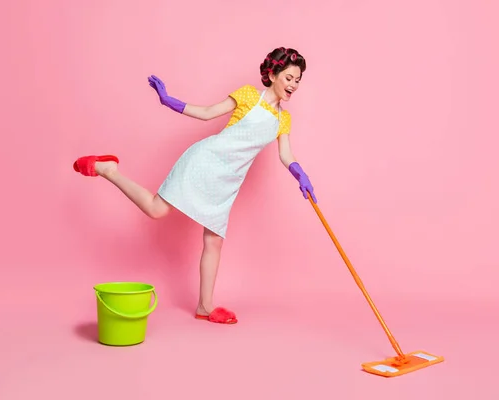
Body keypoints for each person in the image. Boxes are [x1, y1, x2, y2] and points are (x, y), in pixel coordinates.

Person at [73, 46, 317, 324]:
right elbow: (207, 112)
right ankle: (109, 170)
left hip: (228, 181)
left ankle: (205, 306)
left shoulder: (283, 119)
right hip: (205, 162)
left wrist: (300, 174)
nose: (294, 85)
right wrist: (169, 101)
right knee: (156, 209)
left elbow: (286, 155)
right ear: (273, 74)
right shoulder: (249, 95)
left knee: (214, 241)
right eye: (289, 78)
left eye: (298, 80)